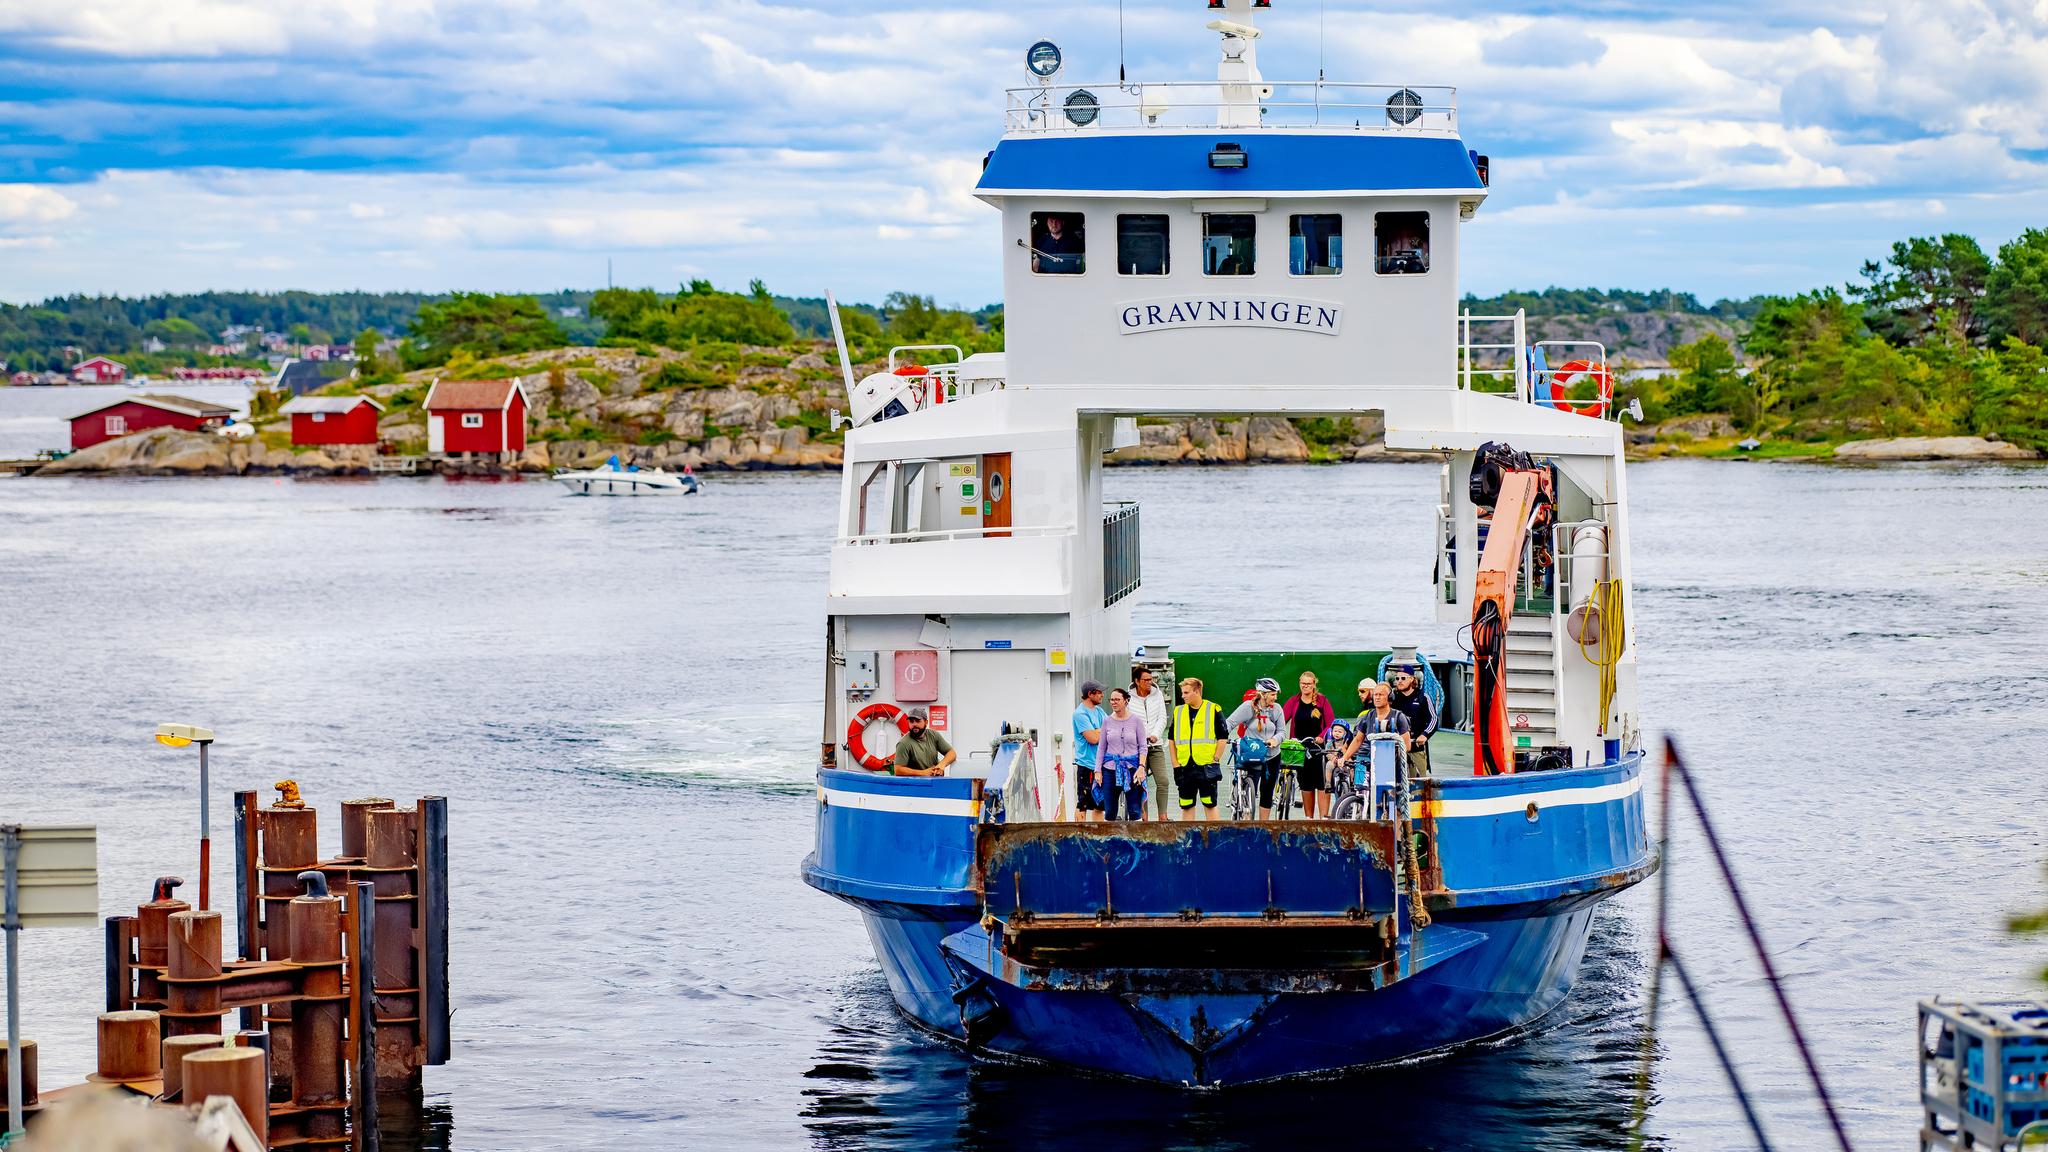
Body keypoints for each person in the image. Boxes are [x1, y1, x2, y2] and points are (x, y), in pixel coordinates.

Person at [1226, 676, 1288, 821]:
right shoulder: (1248, 707)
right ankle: (1247, 821)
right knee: (1250, 791)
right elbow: (1230, 723)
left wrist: (1275, 740)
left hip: (1272, 756)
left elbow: (1282, 732)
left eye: (1276, 694)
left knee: (1267, 792)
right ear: (1263, 694)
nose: (1275, 697)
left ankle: (1263, 825)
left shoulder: (1277, 709)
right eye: (1272, 694)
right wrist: (1222, 738)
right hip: (1252, 754)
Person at [1171, 676, 1226, 821]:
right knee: (1186, 804)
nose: (1182, 696)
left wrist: (1215, 760)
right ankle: (1189, 840)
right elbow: (1171, 740)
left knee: (1209, 803)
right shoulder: (1178, 711)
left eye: (1186, 692)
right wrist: (1175, 764)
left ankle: (1214, 838)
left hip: (1206, 766)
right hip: (1184, 767)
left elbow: (1222, 737)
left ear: (1197, 691)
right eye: (1182, 692)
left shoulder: (1213, 709)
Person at [1283, 670, 1336, 818]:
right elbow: (1282, 719)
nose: (1305, 686)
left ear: (1314, 684)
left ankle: (1323, 818)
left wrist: (1321, 736)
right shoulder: (1294, 701)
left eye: (1308, 684)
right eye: (1302, 683)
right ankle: (1309, 819)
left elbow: (1331, 724)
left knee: (1321, 782)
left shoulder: (1322, 701)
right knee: (1305, 783)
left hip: (1318, 749)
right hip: (1299, 748)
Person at [1097, 688, 1149, 821]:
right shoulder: (1107, 721)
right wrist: (1098, 770)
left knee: (1134, 809)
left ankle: (1135, 840)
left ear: (1126, 701)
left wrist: (1141, 767)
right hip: (1110, 769)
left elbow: (1143, 746)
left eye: (1117, 699)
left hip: (1132, 768)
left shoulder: (1136, 720)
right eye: (1112, 700)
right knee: (1109, 811)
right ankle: (1110, 840)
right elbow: (1101, 748)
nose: (1114, 702)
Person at [1131, 666, 1175, 819]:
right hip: (1136, 749)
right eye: (1146, 680)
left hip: (1155, 746)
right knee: (1139, 783)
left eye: (1151, 679)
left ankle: (1162, 816)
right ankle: (1144, 818)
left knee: (1163, 781)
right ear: (1137, 681)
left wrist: (1155, 735)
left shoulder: (1158, 695)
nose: (1150, 682)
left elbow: (1163, 718)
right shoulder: (1129, 698)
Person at [1342, 680, 1412, 764]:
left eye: (1381, 695)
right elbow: (1357, 740)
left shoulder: (1399, 717)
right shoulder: (1367, 716)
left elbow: (1407, 746)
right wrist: (1344, 758)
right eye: (1375, 695)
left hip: (1393, 763)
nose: (1377, 697)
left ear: (1390, 697)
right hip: (1370, 761)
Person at [1387, 663, 1439, 777]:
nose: (1399, 681)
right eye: (1397, 678)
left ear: (1411, 679)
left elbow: (1434, 719)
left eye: (1403, 678)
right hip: (1396, 749)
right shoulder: (1393, 699)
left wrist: (1425, 734)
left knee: (1418, 785)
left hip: (1416, 748)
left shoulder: (1423, 697)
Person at [1071, 680, 1106, 822]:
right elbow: (1093, 738)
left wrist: (1098, 731)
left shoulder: (1099, 711)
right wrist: (1100, 731)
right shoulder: (1079, 714)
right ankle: (1081, 836)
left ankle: (1098, 838)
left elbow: (1111, 729)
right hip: (1086, 765)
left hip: (1101, 765)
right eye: (1099, 692)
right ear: (1090, 694)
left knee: (1100, 805)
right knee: (1083, 804)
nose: (1102, 695)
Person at [891, 706, 956, 778]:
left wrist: (941, 765)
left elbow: (952, 753)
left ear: (926, 722)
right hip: (916, 784)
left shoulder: (934, 735)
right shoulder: (903, 743)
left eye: (918, 721)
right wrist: (923, 773)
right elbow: (898, 770)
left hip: (935, 781)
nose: (914, 724)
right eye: (911, 721)